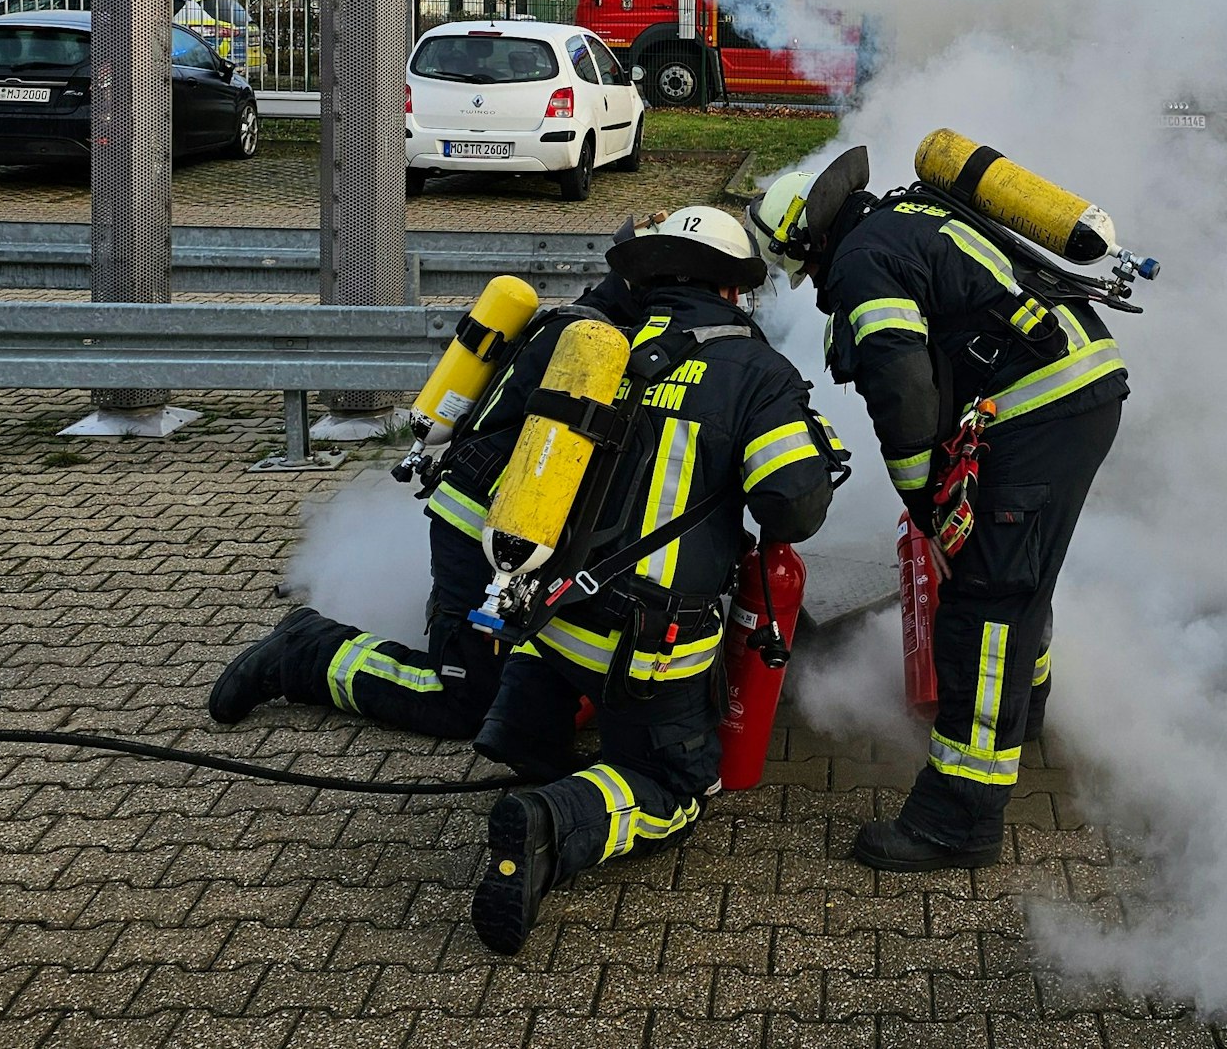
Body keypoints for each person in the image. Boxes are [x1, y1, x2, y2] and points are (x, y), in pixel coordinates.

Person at [469, 207, 844, 955]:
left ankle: (521, 732)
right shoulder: (754, 372)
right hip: (646, 644)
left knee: (561, 672)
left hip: (545, 615)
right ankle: (552, 824)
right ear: (735, 292)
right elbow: (790, 508)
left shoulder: (593, 347)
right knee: (675, 788)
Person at [745, 148, 1127, 872]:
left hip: (1041, 410)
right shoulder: (905, 212)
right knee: (1014, 576)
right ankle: (1025, 711)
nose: (811, 283)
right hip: (1077, 390)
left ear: (806, 242)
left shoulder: (858, 262)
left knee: (982, 607)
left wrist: (923, 496)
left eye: (801, 269)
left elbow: (900, 386)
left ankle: (958, 817)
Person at [204, 211, 680, 741]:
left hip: (520, 528)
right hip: (480, 526)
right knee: (466, 704)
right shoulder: (587, 345)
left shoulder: (605, 328)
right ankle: (306, 652)